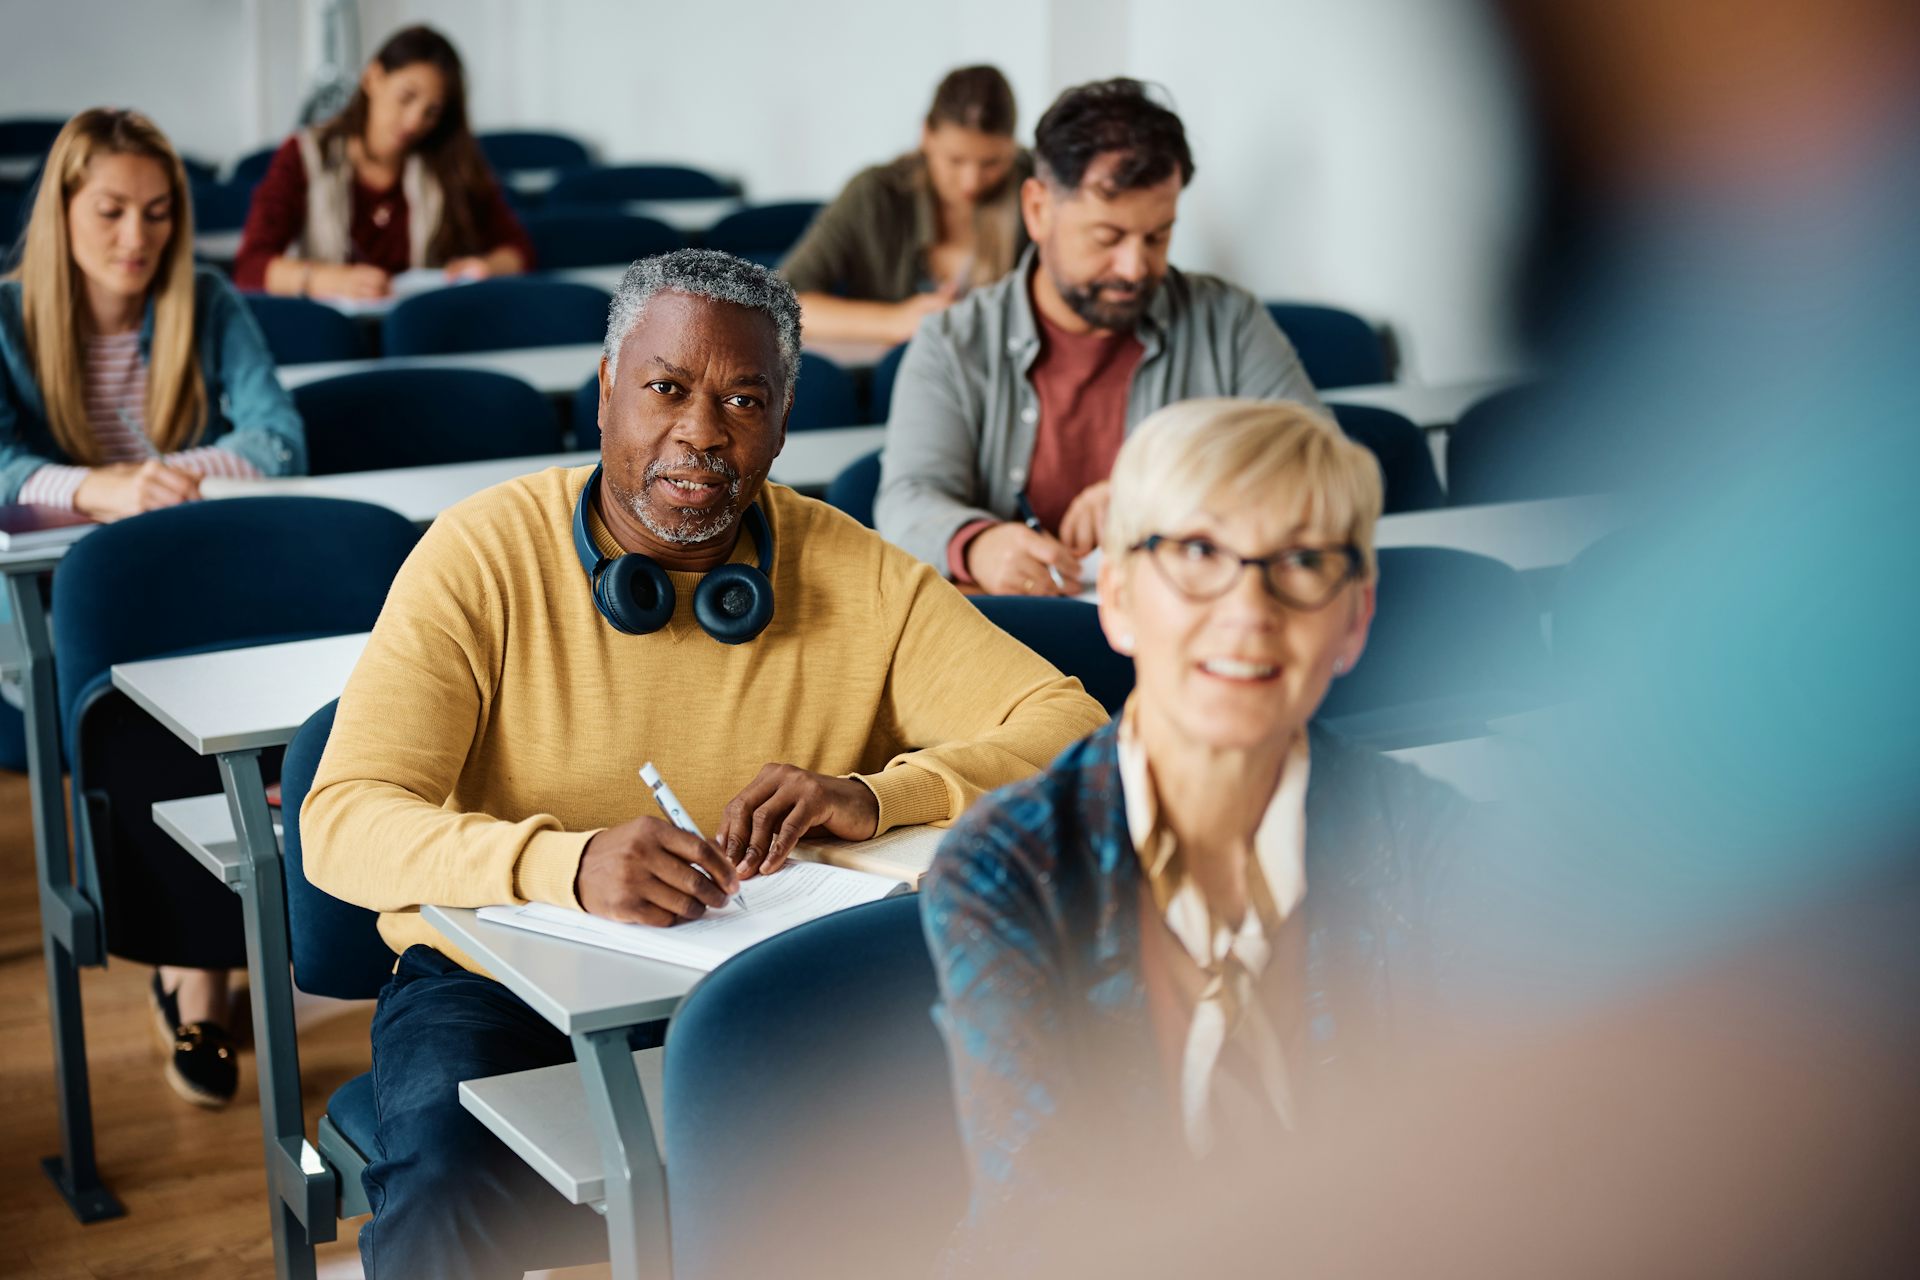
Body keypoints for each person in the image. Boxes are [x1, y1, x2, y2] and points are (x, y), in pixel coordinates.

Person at [299, 248, 1107, 1278]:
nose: (702, 429)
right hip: (494, 982)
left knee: (957, 1140)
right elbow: (342, 818)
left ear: (782, 419)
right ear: (606, 390)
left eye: (742, 397)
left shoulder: (854, 567)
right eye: (668, 387)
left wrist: (874, 794)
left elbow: (1069, 723)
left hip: (772, 974)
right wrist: (571, 862)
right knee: (457, 1187)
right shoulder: (482, 553)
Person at [920, 398, 1469, 1272]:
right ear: (1121, 599)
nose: (1249, 610)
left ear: (1354, 620)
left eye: (1302, 561)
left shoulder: (1438, 844)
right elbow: (1047, 1227)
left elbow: (1491, 1179)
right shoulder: (1007, 867)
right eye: (1200, 554)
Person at [0, 106, 305, 1104]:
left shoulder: (206, 302)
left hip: (191, 579)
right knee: (152, 711)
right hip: (52, 606)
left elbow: (281, 441)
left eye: (160, 213)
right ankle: (202, 974)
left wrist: (155, 478)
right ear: (63, 209)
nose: (139, 238)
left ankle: (207, 965)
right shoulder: (5, 317)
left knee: (238, 693)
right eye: (113, 212)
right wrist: (97, 490)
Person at [875, 79, 1324, 597]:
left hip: (1187, 625)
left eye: (1158, 236)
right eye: (1108, 238)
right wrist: (978, 544)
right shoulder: (952, 342)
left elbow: (1315, 459)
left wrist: (1161, 496)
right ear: (1038, 210)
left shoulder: (1229, 322)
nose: (1135, 268)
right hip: (1017, 641)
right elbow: (908, 496)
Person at [232, 24, 533, 300]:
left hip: (425, 333)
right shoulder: (304, 155)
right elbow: (250, 267)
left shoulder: (447, 160)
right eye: (406, 97)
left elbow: (518, 250)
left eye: (431, 111)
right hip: (337, 334)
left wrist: (483, 268)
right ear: (373, 78)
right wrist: (326, 279)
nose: (415, 121)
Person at [781, 65, 1029, 346]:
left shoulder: (1037, 187)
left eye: (991, 163)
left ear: (1012, 146)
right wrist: (893, 320)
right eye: (955, 161)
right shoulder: (876, 194)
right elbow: (781, 303)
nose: (970, 182)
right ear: (926, 135)